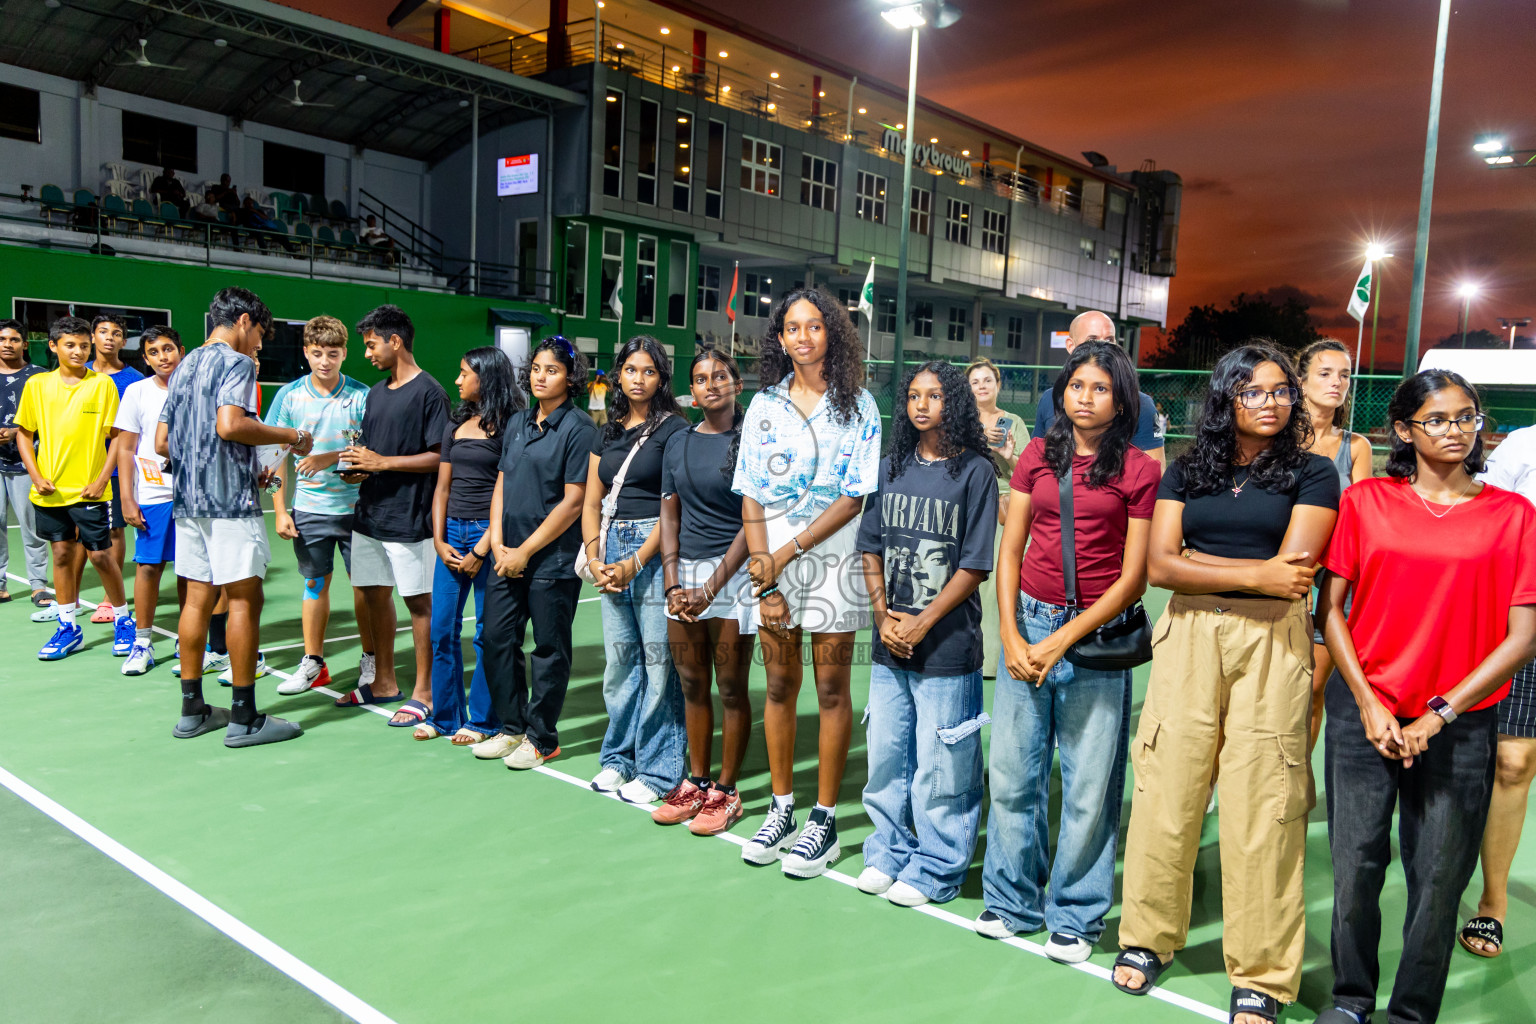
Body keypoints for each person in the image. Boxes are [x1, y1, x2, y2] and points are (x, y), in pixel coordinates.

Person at [1113, 343, 1339, 1024]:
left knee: (1263, 803)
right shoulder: (1186, 469)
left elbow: (1294, 572)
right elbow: (1158, 567)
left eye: (1278, 391)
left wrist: (1203, 562)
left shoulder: (1314, 472)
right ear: (1225, 400)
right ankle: (1148, 937)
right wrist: (1250, 572)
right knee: (1166, 790)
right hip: (1185, 636)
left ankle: (1262, 973)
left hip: (1272, 641)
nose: (1269, 403)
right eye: (1252, 392)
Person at [1316, 370, 1536, 1024]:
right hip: (1365, 719)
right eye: (1437, 419)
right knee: (1355, 871)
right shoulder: (1366, 503)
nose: (1455, 430)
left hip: (1459, 727)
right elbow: (1330, 611)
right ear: (1405, 430)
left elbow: (1523, 636)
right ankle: (1351, 1000)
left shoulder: (1513, 515)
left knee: (1438, 882)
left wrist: (1441, 713)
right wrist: (1368, 703)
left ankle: (1411, 1014)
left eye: (1466, 417)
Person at [979, 342, 1160, 961]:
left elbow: (1134, 576)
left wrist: (1061, 639)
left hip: (1095, 639)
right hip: (1027, 622)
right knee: (1011, 772)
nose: (1085, 396)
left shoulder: (1138, 469)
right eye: (1076, 384)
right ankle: (1010, 901)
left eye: (1100, 387)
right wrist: (1010, 634)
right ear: (1063, 390)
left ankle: (1076, 916)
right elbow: (1011, 550)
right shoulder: (1036, 454)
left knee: (1088, 784)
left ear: (1121, 399)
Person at [734, 286, 882, 878]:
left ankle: (822, 819)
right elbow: (750, 490)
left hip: (831, 560)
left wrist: (788, 553)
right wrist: (766, 578)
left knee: (831, 691)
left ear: (832, 334)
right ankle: (781, 807)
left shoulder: (859, 406)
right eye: (792, 328)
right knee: (777, 687)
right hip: (770, 561)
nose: (803, 337)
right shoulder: (763, 405)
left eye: (814, 326)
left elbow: (853, 499)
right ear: (780, 339)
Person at [855, 361, 998, 908]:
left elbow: (975, 564)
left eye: (933, 395)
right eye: (913, 395)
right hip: (891, 641)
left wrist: (922, 620)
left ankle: (937, 865)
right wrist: (883, 615)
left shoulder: (974, 473)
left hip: (947, 645)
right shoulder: (890, 468)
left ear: (954, 402)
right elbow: (869, 546)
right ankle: (887, 850)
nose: (920, 405)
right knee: (888, 754)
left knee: (943, 765)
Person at [157, 287, 312, 747]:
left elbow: (163, 442)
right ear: (244, 321)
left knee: (196, 602)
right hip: (229, 506)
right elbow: (230, 425)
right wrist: (293, 435)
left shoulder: (182, 366)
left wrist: (242, 465)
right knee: (245, 600)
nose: (260, 345)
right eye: (260, 333)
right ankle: (245, 716)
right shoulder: (237, 362)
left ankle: (193, 711)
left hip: (187, 502)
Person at [477, 337, 596, 768]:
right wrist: (495, 540)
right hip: (506, 555)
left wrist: (525, 551)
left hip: (551, 560)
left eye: (553, 370)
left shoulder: (579, 428)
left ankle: (542, 738)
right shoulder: (517, 423)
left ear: (570, 378)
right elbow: (503, 482)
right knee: (495, 639)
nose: (541, 377)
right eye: (536, 369)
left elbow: (573, 502)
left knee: (548, 650)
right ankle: (511, 728)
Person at [652, 348, 756, 834]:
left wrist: (712, 587)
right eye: (699, 378)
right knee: (692, 683)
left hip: (734, 575)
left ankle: (727, 790)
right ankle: (696, 780)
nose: (709, 384)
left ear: (736, 383)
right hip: (684, 577)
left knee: (730, 686)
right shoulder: (679, 441)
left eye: (719, 376)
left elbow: (750, 521)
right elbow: (668, 514)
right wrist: (674, 582)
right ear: (690, 390)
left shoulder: (752, 439)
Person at [582, 336, 690, 804]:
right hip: (608, 544)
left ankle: (659, 770)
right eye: (630, 370)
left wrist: (636, 561)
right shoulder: (604, 429)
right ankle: (617, 759)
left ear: (661, 378)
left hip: (653, 545)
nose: (638, 379)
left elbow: (674, 507)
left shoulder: (674, 430)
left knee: (658, 663)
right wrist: (595, 555)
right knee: (621, 665)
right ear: (618, 375)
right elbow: (591, 499)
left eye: (648, 371)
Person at [338, 305, 449, 728]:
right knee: (371, 596)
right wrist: (360, 468)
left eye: (371, 345)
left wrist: (382, 463)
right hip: (369, 515)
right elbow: (371, 449)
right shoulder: (375, 393)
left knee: (419, 604)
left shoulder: (430, 393)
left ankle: (425, 691)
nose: (367, 354)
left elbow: (440, 457)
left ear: (395, 341)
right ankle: (383, 681)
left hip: (409, 518)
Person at [414, 347, 521, 741]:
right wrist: (439, 540)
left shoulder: (511, 426)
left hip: (488, 539)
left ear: (486, 377)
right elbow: (442, 488)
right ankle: (444, 717)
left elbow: (508, 493)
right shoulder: (455, 424)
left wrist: (483, 548)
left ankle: (482, 721)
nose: (457, 381)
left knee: (485, 635)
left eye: (463, 374)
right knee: (441, 630)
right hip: (451, 537)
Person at [1459, 423, 1536, 959]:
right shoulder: (1525, 445)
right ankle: (1491, 903)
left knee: (1515, 762)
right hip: (1516, 612)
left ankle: (1491, 900)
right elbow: (1483, 516)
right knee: (1508, 759)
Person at [266, 316, 373, 694]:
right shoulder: (289, 396)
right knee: (314, 583)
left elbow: (372, 451)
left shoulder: (362, 396)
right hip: (309, 510)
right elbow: (274, 456)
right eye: (316, 353)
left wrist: (329, 455)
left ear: (344, 353)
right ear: (306, 353)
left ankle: (371, 660)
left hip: (359, 511)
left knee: (365, 589)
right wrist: (280, 509)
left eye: (332, 353)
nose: (324, 361)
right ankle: (313, 663)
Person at [14, 316, 129, 660]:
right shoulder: (37, 385)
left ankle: (123, 621)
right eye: (70, 345)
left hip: (90, 490)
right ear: (53, 346)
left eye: (83, 345)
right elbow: (24, 433)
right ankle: (68, 626)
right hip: (49, 490)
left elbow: (118, 437)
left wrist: (101, 479)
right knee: (61, 555)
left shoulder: (103, 385)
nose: (78, 351)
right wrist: (35, 475)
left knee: (100, 555)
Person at [1297, 338, 1374, 752]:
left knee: (1311, 688)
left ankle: (1295, 780)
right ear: (1301, 380)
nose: (1337, 382)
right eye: (1325, 373)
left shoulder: (1356, 446)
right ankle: (1217, 778)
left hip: (1334, 576)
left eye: (1344, 374)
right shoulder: (1276, 438)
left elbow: (1363, 518)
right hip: (1281, 571)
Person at [114, 326, 184, 675]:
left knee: (191, 570)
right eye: (154, 352)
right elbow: (125, 448)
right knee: (148, 567)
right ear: (144, 358)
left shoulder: (193, 388)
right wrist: (128, 497)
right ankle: (142, 641)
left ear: (181, 350)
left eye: (168, 349)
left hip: (192, 494)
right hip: (153, 495)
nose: (163, 357)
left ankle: (189, 639)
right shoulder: (136, 392)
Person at [1033, 310, 1165, 469]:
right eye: (1092, 340)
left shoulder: (1140, 404)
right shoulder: (1050, 398)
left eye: (1109, 340)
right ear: (1071, 345)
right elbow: (1035, 465)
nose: (1103, 347)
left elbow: (1156, 474)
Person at [967, 356, 1027, 680]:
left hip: (1007, 505)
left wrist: (1008, 454)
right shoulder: (962, 421)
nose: (981, 386)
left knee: (1005, 580)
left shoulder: (1014, 422)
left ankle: (1001, 656)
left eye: (987, 380)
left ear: (998, 384)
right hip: (972, 502)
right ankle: (975, 654)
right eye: (975, 382)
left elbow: (1029, 473)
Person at [84, 314, 143, 620]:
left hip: (119, 468)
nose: (109, 337)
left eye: (116, 333)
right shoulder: (77, 373)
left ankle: (110, 597)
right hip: (80, 466)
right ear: (92, 336)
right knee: (76, 533)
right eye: (103, 331)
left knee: (115, 531)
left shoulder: (134, 380)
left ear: (123, 341)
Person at [0, 318, 50, 606]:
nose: (8, 344)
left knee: (31, 527)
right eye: (3, 339)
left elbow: (49, 421)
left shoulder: (40, 378)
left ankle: (38, 585)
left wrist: (17, 432)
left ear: (25, 344)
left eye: (14, 339)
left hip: (26, 464)